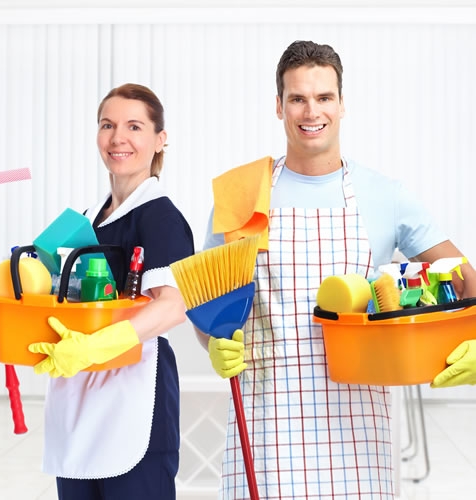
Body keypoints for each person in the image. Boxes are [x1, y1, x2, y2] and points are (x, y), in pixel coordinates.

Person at [196, 40, 476, 499]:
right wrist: (213, 343)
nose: (312, 111)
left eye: (324, 97)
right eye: (298, 98)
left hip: (358, 429)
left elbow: (465, 282)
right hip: (267, 426)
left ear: (342, 104)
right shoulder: (241, 195)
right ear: (279, 106)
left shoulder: (385, 195)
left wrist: (471, 343)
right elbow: (209, 308)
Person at [28, 83, 194, 500]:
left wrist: (98, 346)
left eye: (134, 126)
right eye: (108, 125)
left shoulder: (161, 217)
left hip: (134, 403)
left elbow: (174, 306)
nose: (118, 137)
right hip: (78, 408)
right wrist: (18, 312)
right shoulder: (86, 220)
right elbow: (57, 297)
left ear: (160, 139)